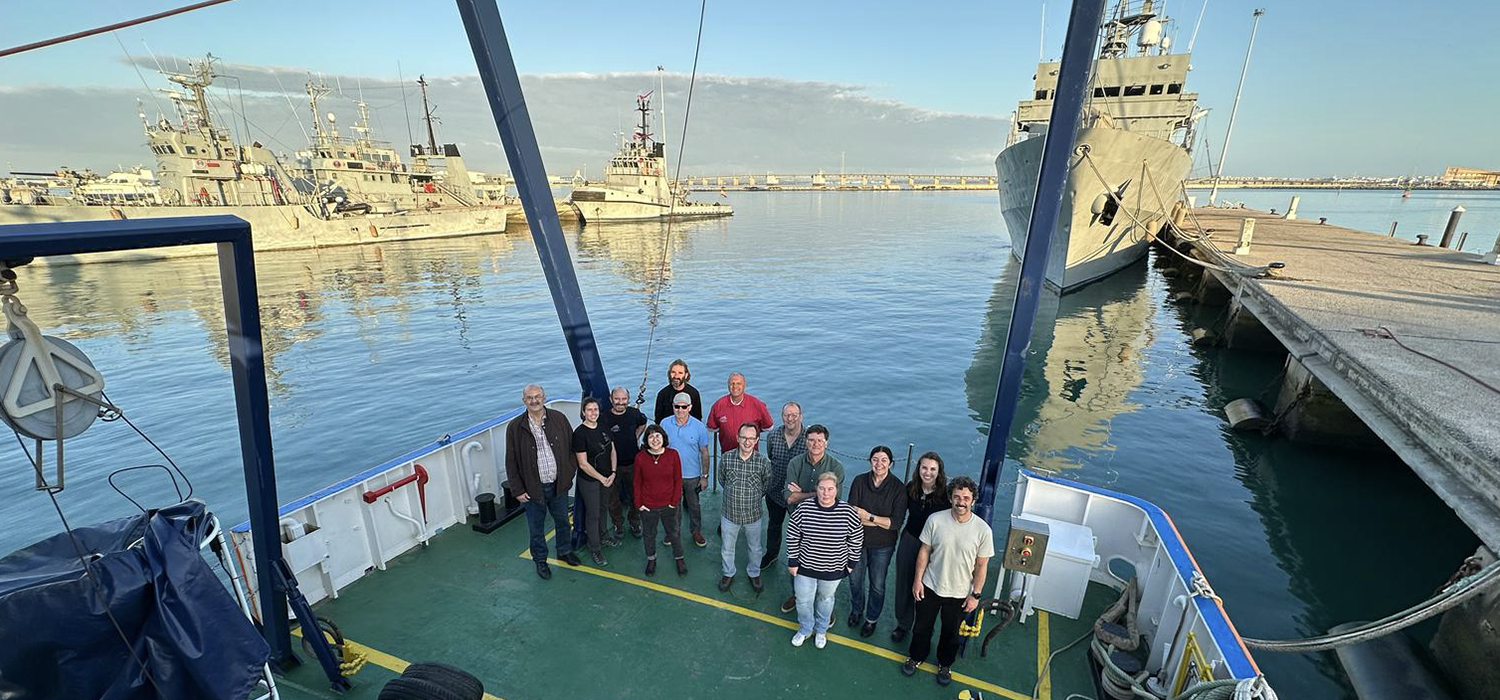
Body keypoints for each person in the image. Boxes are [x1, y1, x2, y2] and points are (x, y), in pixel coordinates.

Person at [901, 476, 993, 686]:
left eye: (966, 498)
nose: (961, 502)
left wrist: (975, 594)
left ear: (973, 500)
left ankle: (945, 664)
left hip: (960, 593)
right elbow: (924, 551)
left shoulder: (983, 530)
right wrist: (918, 581)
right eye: (957, 497)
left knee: (951, 633)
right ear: (950, 498)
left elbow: (981, 565)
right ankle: (916, 656)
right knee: (921, 627)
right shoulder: (935, 520)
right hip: (931, 585)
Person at [504, 384, 582, 579]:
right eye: (529, 397)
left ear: (544, 397)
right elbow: (511, 462)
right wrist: (517, 489)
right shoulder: (515, 427)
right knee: (536, 528)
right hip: (532, 489)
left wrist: (568, 472)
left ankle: (564, 551)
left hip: (558, 484)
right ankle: (540, 560)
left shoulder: (559, 419)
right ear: (524, 400)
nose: (534, 401)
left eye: (537, 396)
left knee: (563, 521)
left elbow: (572, 449)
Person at [784, 472, 862, 649]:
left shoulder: (847, 512)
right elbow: (793, 534)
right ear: (816, 489)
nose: (826, 493)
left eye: (830, 489)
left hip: (832, 569)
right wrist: (793, 561)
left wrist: (851, 564)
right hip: (805, 567)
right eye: (822, 488)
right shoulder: (804, 508)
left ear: (836, 490)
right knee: (803, 600)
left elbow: (856, 539)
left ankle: (821, 630)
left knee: (825, 599)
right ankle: (805, 629)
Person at [778, 424, 844, 613]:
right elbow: (789, 497)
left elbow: (833, 501)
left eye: (819, 440)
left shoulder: (836, 467)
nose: (815, 444)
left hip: (826, 525)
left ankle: (823, 605)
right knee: (796, 558)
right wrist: (816, 494)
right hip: (799, 523)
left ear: (826, 443)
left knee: (825, 563)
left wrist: (803, 494)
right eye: (811, 440)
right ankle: (797, 595)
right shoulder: (795, 463)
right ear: (806, 442)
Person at [847, 445, 908, 637]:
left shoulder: (898, 488)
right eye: (875, 459)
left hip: (883, 545)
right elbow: (852, 514)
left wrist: (869, 516)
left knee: (877, 584)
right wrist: (881, 520)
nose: (879, 464)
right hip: (857, 541)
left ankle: (871, 619)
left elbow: (895, 523)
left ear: (891, 463)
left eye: (883, 460)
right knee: (855, 581)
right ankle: (857, 610)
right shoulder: (859, 481)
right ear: (870, 461)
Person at [890, 452, 949, 643]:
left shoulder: (946, 496)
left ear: (939, 471)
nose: (928, 472)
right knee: (904, 582)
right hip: (911, 539)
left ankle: (923, 627)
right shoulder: (911, 488)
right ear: (918, 469)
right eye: (924, 467)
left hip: (933, 546)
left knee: (927, 586)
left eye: (933, 469)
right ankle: (903, 624)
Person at [716, 422, 770, 593]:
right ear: (738, 438)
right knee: (727, 547)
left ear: (757, 440)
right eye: (744, 438)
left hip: (753, 515)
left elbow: (766, 484)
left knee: (755, 547)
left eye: (751, 438)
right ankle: (728, 573)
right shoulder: (726, 458)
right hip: (729, 514)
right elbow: (722, 479)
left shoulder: (763, 462)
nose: (747, 442)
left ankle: (754, 573)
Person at [659, 392, 711, 547]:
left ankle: (696, 531)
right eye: (677, 406)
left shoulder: (699, 427)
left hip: (692, 475)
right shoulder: (664, 424)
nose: (680, 410)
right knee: (673, 505)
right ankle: (673, 532)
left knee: (694, 506)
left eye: (684, 407)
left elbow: (704, 452)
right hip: (670, 475)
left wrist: (705, 476)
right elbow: (659, 449)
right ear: (673, 407)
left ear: (690, 407)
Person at [633, 424, 687, 576]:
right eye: (651, 436)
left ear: (663, 438)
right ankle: (651, 559)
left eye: (658, 436)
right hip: (648, 506)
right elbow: (637, 482)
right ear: (646, 440)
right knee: (649, 535)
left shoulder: (673, 455)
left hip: (668, 505)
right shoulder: (640, 457)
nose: (655, 439)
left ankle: (679, 558)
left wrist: (674, 502)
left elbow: (678, 479)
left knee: (674, 533)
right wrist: (639, 504)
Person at [760, 402, 806, 572]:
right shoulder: (773, 436)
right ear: (782, 417)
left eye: (794, 415)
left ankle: (801, 559)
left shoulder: (808, 439)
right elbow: (771, 456)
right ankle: (771, 554)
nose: (790, 418)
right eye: (787, 415)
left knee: (800, 530)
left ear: (800, 416)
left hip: (798, 497)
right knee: (774, 525)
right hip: (775, 491)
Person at [571, 397, 616, 566]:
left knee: (604, 508)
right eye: (589, 410)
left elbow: (612, 450)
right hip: (590, 480)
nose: (593, 413)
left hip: (607, 477)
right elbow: (583, 463)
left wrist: (613, 472)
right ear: (583, 412)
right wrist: (602, 478)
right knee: (593, 514)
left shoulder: (603, 426)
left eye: (595, 409)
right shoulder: (579, 433)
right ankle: (595, 548)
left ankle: (603, 536)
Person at [602, 386, 648, 539]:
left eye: (624, 399)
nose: (620, 403)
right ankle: (618, 524)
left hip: (632, 463)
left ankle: (634, 521)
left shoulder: (635, 414)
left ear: (628, 400)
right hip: (611, 466)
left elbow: (643, 423)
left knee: (637, 495)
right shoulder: (604, 418)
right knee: (612, 498)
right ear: (611, 399)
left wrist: (636, 435)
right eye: (617, 399)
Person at [704, 372, 773, 454]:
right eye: (732, 383)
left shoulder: (757, 404)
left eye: (738, 383)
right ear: (728, 385)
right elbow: (711, 427)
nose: (735, 387)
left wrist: (752, 432)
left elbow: (768, 427)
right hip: (727, 456)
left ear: (744, 385)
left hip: (751, 457)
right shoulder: (718, 405)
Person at [653, 359, 703, 424]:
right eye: (673, 372)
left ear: (686, 375)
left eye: (680, 373)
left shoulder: (694, 393)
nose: (676, 376)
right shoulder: (662, 394)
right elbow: (658, 419)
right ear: (669, 374)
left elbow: (697, 418)